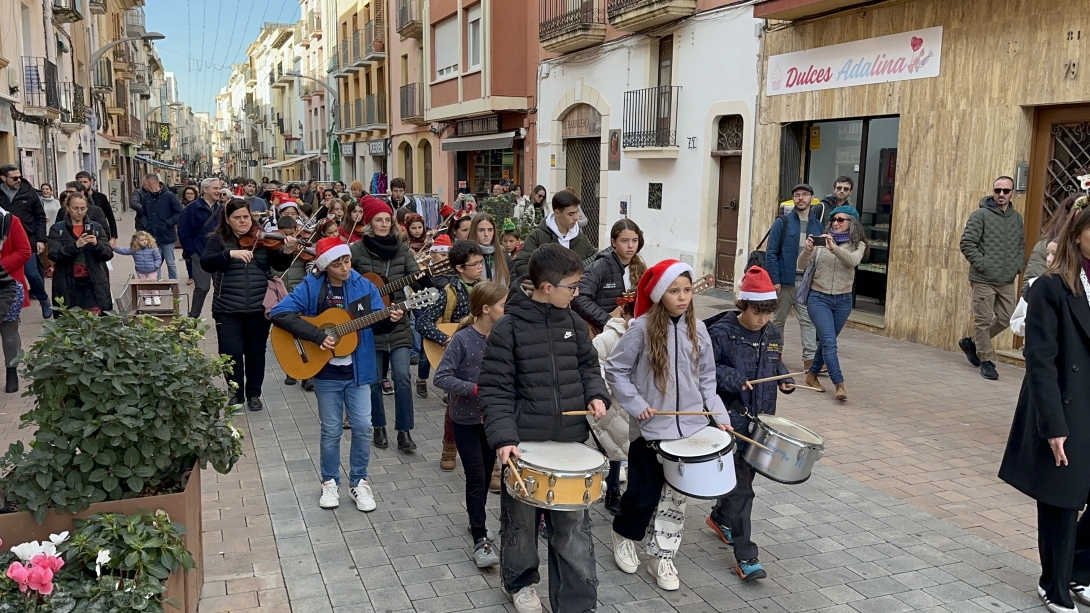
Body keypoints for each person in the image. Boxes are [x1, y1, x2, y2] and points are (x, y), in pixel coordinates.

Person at [479, 243, 609, 613]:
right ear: (547, 287)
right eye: (572, 286)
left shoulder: (572, 322)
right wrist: (503, 438)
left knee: (574, 529)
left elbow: (588, 366)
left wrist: (596, 394)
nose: (577, 293)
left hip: (569, 442)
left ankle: (577, 602)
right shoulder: (508, 328)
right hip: (524, 446)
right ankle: (519, 583)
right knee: (520, 525)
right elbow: (495, 388)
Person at [605, 260, 732, 591]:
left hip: (689, 431)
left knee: (677, 498)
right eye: (674, 291)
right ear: (660, 294)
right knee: (642, 494)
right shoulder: (640, 328)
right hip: (651, 430)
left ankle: (662, 556)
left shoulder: (698, 329)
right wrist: (637, 405)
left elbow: (707, 378)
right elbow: (616, 370)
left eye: (687, 290)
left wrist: (718, 415)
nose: (683, 297)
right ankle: (624, 535)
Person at [997, 204, 1090, 613]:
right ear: (1078, 232)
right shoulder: (1050, 287)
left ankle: (1079, 570)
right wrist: (1052, 424)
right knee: (1063, 499)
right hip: (1066, 403)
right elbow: (1040, 360)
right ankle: (1053, 582)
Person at [272, 237, 399, 513]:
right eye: (338, 264)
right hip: (325, 371)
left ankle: (359, 481)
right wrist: (316, 335)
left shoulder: (363, 285)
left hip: (358, 371)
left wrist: (388, 320)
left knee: (364, 427)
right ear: (326, 266)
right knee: (330, 430)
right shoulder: (313, 286)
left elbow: (374, 324)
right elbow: (279, 313)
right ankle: (330, 481)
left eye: (347, 261)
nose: (345, 268)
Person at [704, 266, 795, 582]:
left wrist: (784, 377)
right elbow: (704, 371)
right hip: (730, 419)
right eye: (757, 313)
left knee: (744, 479)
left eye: (768, 313)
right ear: (744, 304)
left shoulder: (771, 331)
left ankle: (719, 517)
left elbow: (773, 359)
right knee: (743, 489)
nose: (763, 320)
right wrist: (733, 378)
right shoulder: (722, 333)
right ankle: (747, 556)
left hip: (762, 420)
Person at [433, 280, 508, 568]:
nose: (508, 309)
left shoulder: (503, 336)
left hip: (494, 420)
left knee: (489, 473)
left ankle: (478, 520)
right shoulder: (462, 339)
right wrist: (475, 388)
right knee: (477, 477)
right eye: (503, 305)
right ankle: (479, 535)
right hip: (465, 420)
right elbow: (441, 378)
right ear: (486, 309)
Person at [201, 198, 296, 410]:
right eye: (237, 218)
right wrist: (229, 254)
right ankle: (235, 393)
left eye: (246, 216)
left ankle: (254, 393)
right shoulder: (218, 240)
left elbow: (278, 264)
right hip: (227, 307)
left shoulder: (263, 238)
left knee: (255, 353)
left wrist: (288, 252)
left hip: (258, 306)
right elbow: (206, 263)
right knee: (230, 352)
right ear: (227, 219)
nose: (243, 221)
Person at [349, 196, 420, 451]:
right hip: (370, 323)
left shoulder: (402, 249)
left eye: (387, 220)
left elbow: (416, 279)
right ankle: (378, 426)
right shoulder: (356, 250)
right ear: (369, 223)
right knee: (375, 379)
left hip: (399, 320)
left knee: (402, 377)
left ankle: (404, 432)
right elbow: (348, 284)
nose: (383, 224)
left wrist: (426, 279)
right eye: (378, 220)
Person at [417, 240, 484, 470]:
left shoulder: (485, 288)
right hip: (457, 357)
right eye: (474, 263)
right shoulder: (448, 292)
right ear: (459, 268)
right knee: (455, 403)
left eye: (481, 262)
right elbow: (423, 322)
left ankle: (491, 458)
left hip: (483, 353)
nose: (480, 267)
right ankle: (449, 446)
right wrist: (446, 338)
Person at [958, 176, 1025, 381]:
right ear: (993, 191)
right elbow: (967, 243)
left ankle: (971, 343)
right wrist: (984, 265)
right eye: (998, 190)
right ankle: (986, 360)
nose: (1001, 194)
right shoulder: (980, 215)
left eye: (1006, 191)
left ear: (1012, 193)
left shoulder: (1016, 218)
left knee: (1007, 318)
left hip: (1006, 279)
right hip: (983, 279)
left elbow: (1021, 244)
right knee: (983, 320)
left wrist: (1018, 265)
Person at [798, 205, 867, 401]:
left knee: (827, 343)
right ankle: (839, 384)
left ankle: (811, 376)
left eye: (841, 220)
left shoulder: (858, 244)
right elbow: (801, 265)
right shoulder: (821, 241)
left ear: (851, 223)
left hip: (843, 300)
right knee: (829, 342)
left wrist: (834, 248)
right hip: (818, 298)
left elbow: (853, 261)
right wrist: (807, 250)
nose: (835, 223)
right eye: (834, 220)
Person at [766, 183, 824, 370]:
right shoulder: (782, 222)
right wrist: (774, 280)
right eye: (797, 195)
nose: (801, 198)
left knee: (808, 320)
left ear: (811, 198)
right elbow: (771, 252)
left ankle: (809, 360)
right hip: (784, 282)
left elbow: (820, 255)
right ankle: (775, 354)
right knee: (778, 320)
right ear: (793, 199)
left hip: (806, 282)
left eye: (805, 194)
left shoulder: (817, 225)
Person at [589, 295, 633, 515]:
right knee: (613, 449)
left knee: (635, 449)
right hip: (611, 404)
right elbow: (595, 367)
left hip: (633, 404)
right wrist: (614, 385)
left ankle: (633, 492)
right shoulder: (606, 338)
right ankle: (612, 489)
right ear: (624, 312)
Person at [573, 219, 646, 334]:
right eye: (624, 241)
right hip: (605, 335)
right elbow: (578, 297)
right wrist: (607, 320)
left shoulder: (641, 268)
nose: (631, 245)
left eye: (635, 240)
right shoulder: (599, 267)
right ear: (613, 242)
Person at [47, 193, 113, 316]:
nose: (79, 212)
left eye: (83, 208)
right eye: (75, 208)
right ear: (67, 207)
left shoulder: (96, 227)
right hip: (67, 282)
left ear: (87, 208)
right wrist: (75, 246)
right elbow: (53, 254)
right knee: (70, 321)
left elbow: (108, 254)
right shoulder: (58, 229)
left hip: (93, 283)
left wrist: (96, 244)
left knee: (95, 321)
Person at [0, 165, 50, 318]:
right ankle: (13, 308)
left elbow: (40, 217)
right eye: (14, 178)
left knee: (32, 273)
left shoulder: (29, 192)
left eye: (20, 177)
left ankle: (43, 299)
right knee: (8, 273)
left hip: (27, 239)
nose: (18, 180)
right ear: (3, 178)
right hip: (4, 241)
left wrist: (41, 239)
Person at [513, 190, 595, 277]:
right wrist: (543, 280)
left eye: (577, 212)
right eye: (571, 214)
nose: (576, 217)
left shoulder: (581, 239)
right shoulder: (538, 236)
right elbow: (520, 264)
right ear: (557, 213)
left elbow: (596, 260)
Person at [178, 178, 223, 318]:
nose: (218, 191)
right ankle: (193, 317)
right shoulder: (192, 208)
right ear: (205, 190)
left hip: (218, 254)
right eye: (215, 188)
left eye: (219, 188)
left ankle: (220, 314)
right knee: (202, 287)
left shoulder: (221, 208)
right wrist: (192, 252)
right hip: (199, 254)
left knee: (221, 288)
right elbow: (183, 232)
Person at [0, 206, 31, 392]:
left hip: (7, 285)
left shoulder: (11, 221)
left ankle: (12, 372)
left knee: (9, 332)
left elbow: (24, 251)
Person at [132, 174, 183, 281]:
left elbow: (179, 212)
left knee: (170, 262)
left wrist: (168, 223)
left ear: (150, 183)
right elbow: (143, 213)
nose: (143, 185)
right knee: (155, 263)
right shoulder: (146, 198)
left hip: (167, 235)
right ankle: (157, 285)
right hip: (153, 236)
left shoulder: (169, 196)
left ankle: (174, 285)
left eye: (144, 183)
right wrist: (146, 224)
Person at [1011, 240, 1058, 338]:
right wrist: (1035, 324)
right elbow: (1016, 322)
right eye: (1047, 254)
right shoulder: (1035, 284)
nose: (1048, 259)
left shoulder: (1081, 286)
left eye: (1054, 254)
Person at [114, 231, 163, 307]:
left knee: (152, 282)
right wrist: (114, 248)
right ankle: (147, 297)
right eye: (142, 240)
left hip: (152, 270)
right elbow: (123, 251)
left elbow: (158, 258)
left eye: (146, 239)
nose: (144, 242)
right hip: (141, 271)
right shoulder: (134, 250)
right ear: (137, 241)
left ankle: (156, 296)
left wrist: (156, 266)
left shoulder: (152, 249)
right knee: (143, 284)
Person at [74, 171, 118, 246]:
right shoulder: (74, 199)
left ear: (91, 182)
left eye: (85, 182)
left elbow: (110, 217)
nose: (83, 184)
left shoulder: (101, 197)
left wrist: (113, 237)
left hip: (101, 233)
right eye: (80, 182)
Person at [469, 213, 511, 286]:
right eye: (481, 230)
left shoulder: (503, 256)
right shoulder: (466, 255)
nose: (486, 234)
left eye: (490, 230)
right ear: (474, 231)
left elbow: (513, 281)